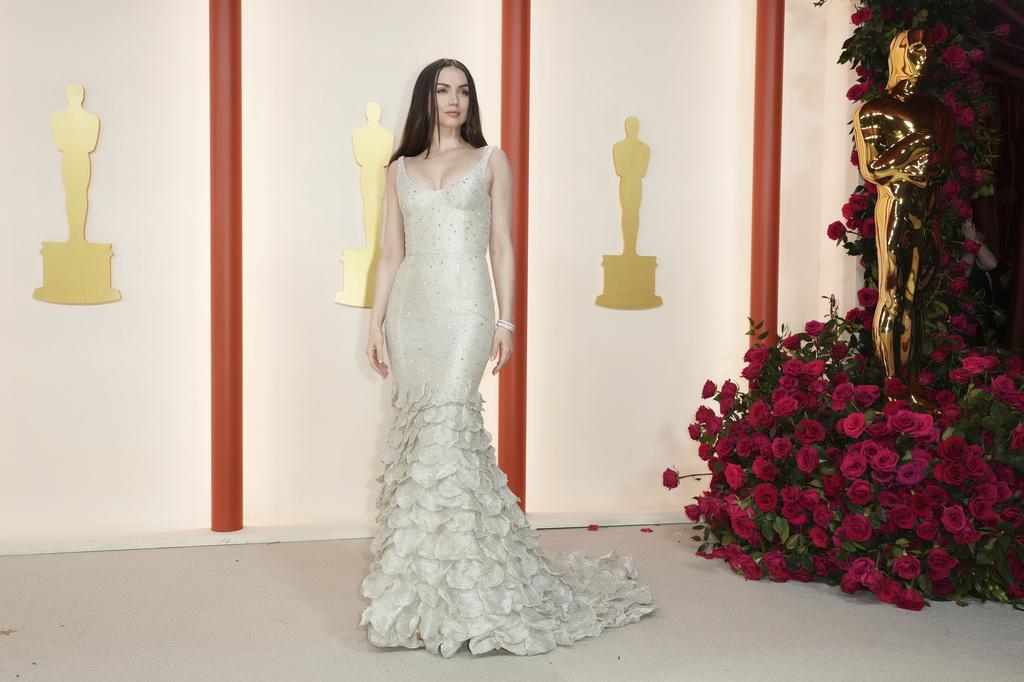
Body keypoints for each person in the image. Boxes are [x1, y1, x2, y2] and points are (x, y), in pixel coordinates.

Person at [357, 58, 656, 658]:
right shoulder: (398, 169)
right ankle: (422, 590)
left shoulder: (492, 161)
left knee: (449, 432)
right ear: (426, 99)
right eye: (444, 90)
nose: (455, 100)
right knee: (418, 442)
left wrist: (506, 320)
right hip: (411, 311)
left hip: (466, 308)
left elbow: (502, 245)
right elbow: (390, 253)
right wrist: (376, 322)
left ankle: (473, 591)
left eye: (464, 91)